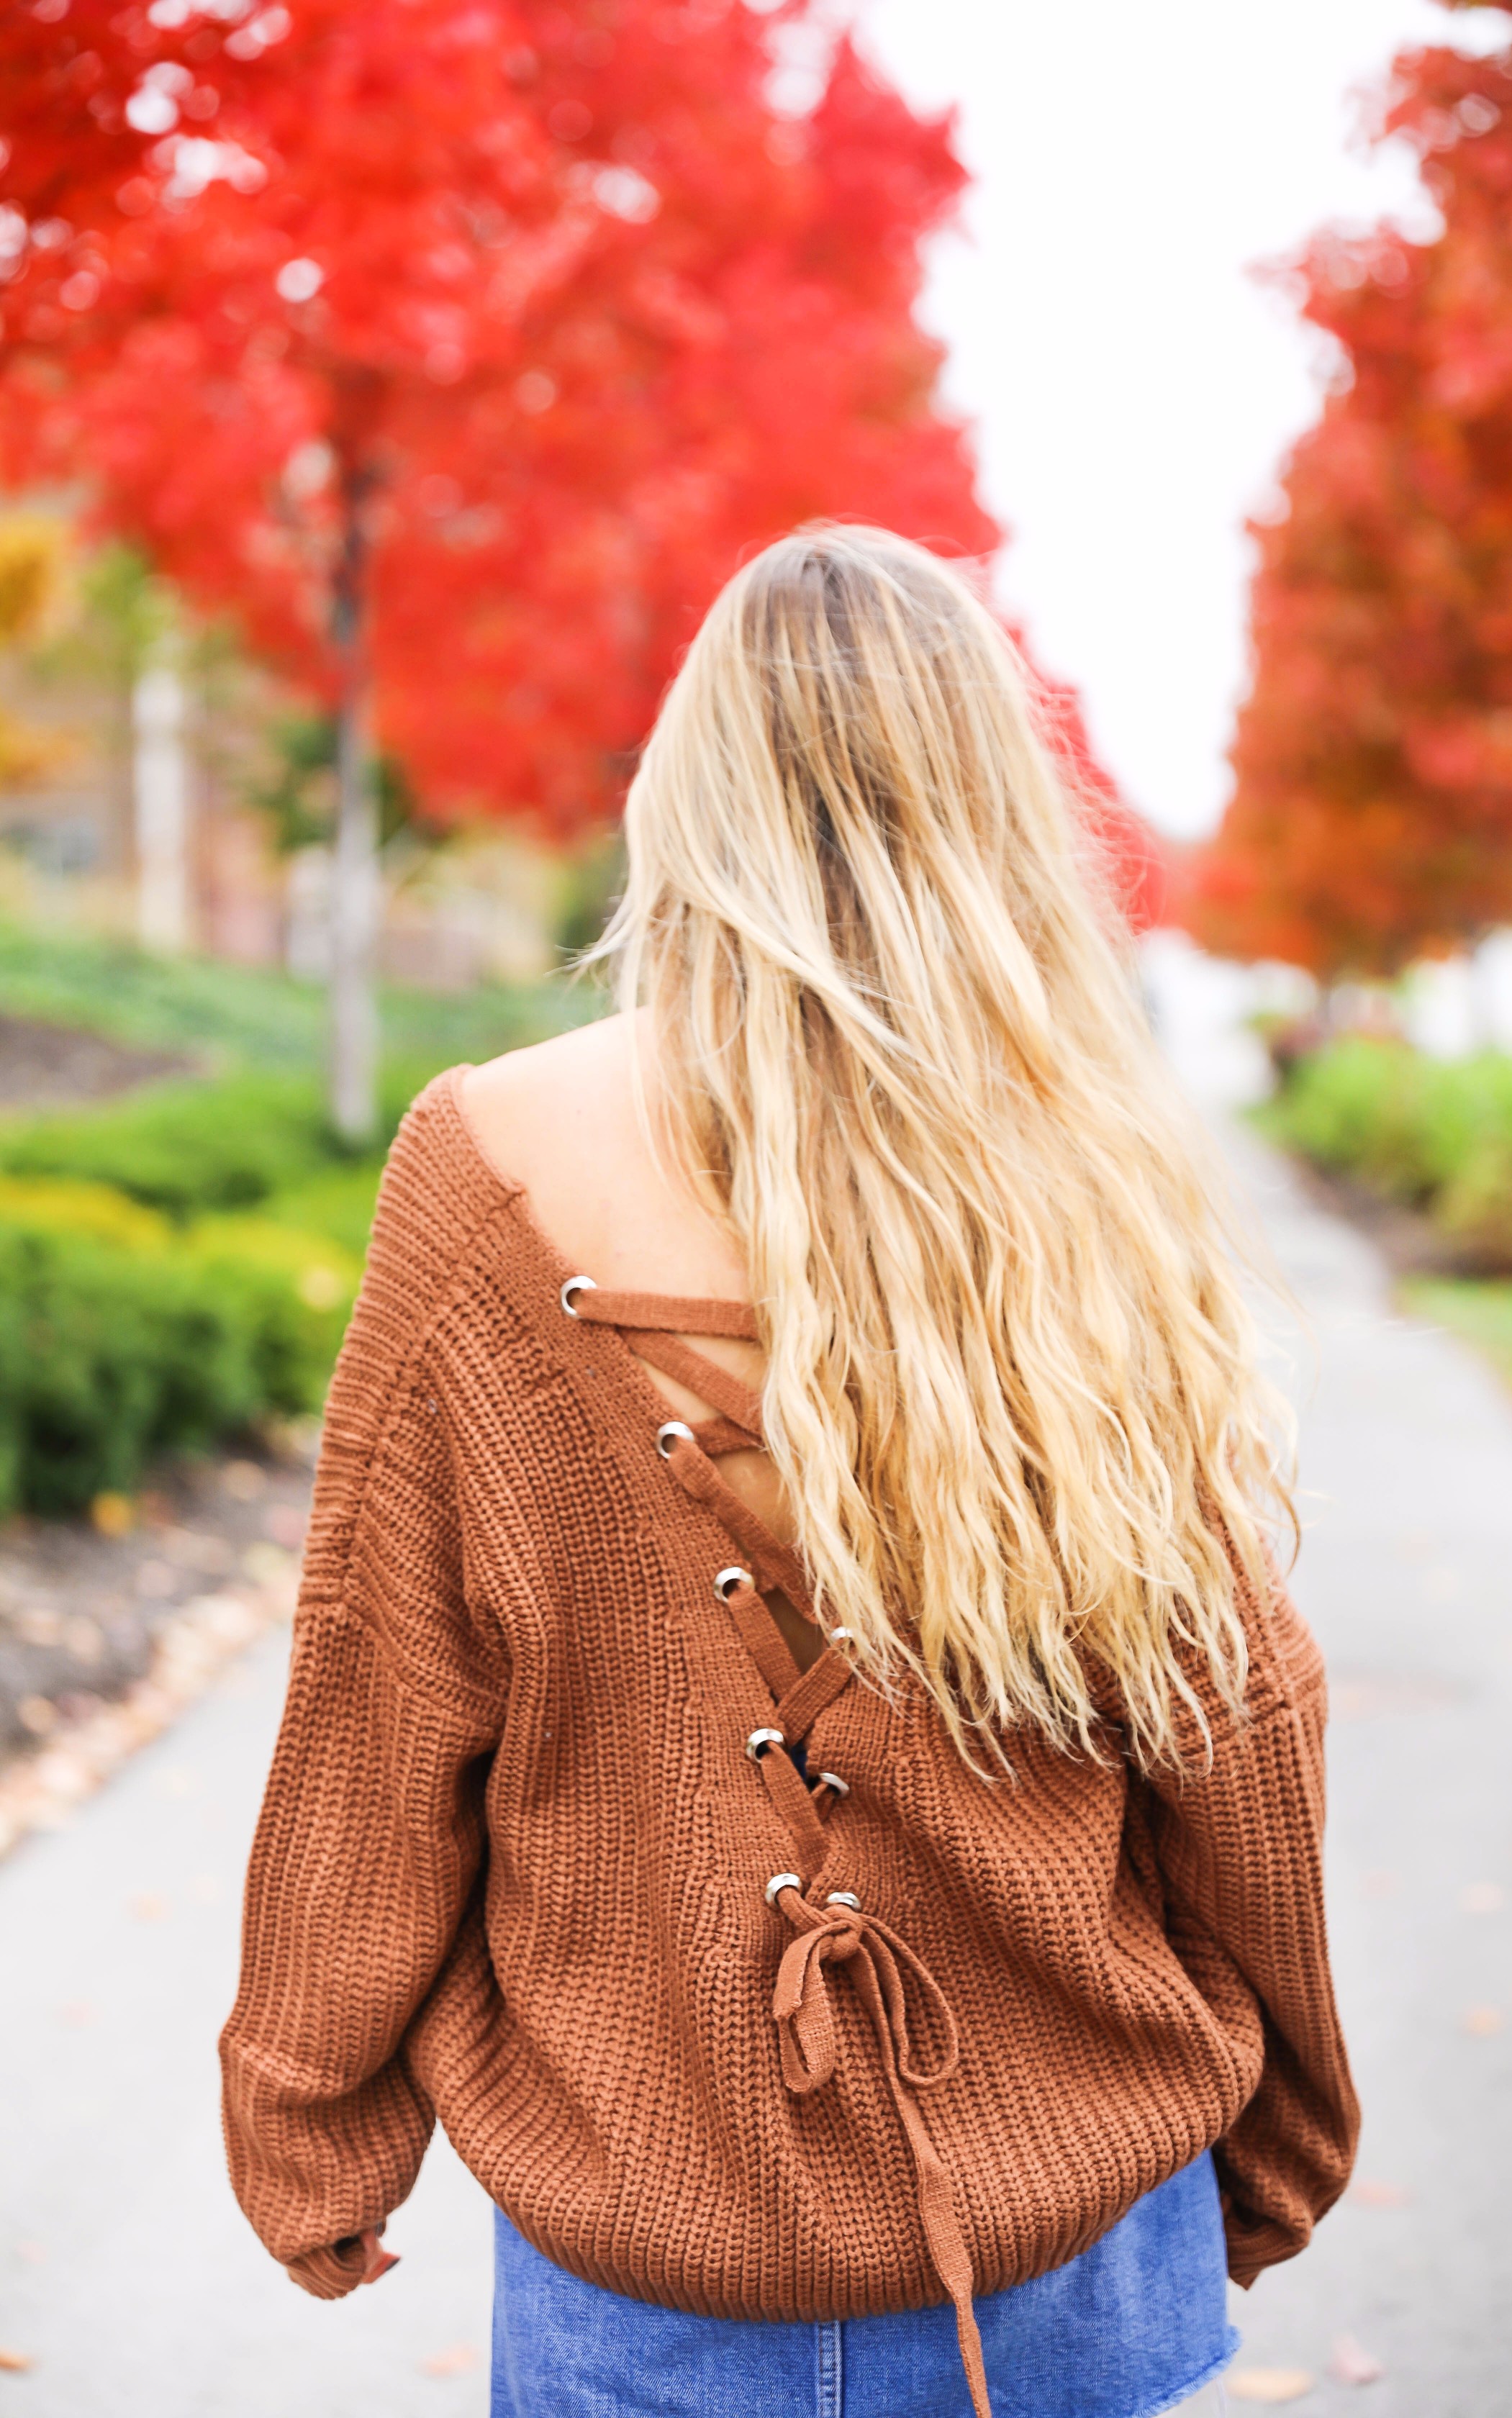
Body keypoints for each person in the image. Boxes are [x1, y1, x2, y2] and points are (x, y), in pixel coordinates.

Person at [221, 525, 1358, 2418]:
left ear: (694, 791)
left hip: (644, 2258)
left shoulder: (491, 1150)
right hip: (1078, 2253)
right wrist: (1291, 2122)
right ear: (998, 807)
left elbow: (384, 1687)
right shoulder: (1088, 1172)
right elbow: (1237, 1712)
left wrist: (307, 2116)